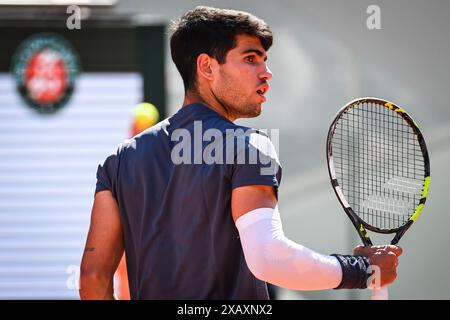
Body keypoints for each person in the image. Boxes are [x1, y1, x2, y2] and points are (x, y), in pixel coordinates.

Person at [79, 6, 402, 300]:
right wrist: (361, 271)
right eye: (250, 58)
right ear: (206, 66)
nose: (266, 72)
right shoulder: (249, 145)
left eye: (265, 60)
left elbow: (93, 278)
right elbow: (268, 258)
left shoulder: (119, 160)